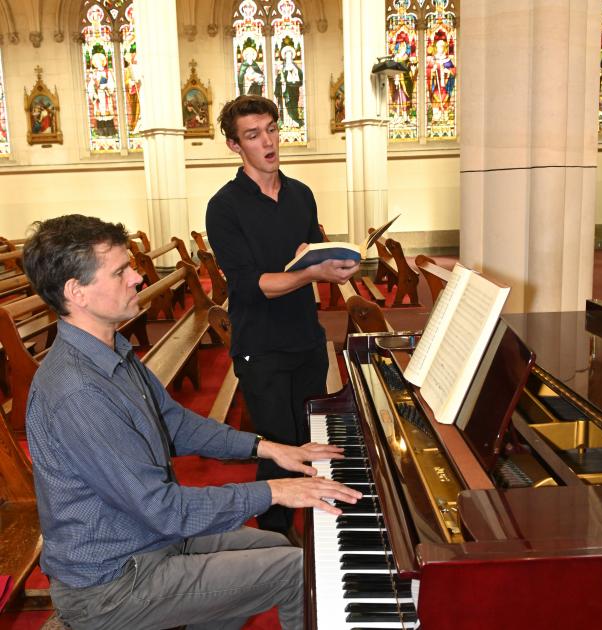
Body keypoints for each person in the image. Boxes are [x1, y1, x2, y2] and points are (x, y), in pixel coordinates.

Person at [23, 214, 361, 630]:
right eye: (120, 271)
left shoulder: (113, 353)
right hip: (111, 581)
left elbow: (176, 425)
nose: (137, 278)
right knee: (296, 570)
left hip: (147, 539)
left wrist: (270, 449)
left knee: (273, 542)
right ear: (77, 292)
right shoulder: (78, 391)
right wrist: (273, 490)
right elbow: (163, 510)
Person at [206, 95, 359, 537]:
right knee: (280, 449)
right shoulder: (225, 207)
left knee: (309, 443)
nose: (268, 141)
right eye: (253, 135)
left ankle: (313, 528)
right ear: (236, 146)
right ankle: (273, 536)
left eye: (272, 129)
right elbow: (253, 285)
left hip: (306, 340)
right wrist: (312, 271)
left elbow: (312, 253)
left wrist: (337, 267)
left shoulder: (301, 194)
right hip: (261, 347)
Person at [274, 46, 303, 128]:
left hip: (294, 89)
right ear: (285, 56)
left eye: (290, 54)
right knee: (285, 105)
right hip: (285, 90)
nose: (288, 56)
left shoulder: (295, 66)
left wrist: (295, 73)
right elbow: (278, 79)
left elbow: (300, 76)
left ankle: (294, 121)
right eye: (287, 54)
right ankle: (286, 122)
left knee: (294, 105)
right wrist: (280, 80)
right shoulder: (282, 67)